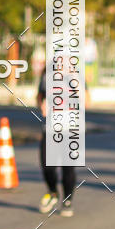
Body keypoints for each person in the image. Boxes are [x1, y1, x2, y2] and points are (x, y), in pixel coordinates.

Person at [37, 68, 76, 217]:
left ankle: (67, 199)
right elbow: (40, 96)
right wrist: (41, 105)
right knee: (46, 164)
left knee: (68, 168)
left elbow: (86, 100)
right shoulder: (46, 76)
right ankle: (53, 192)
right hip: (50, 128)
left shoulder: (76, 76)